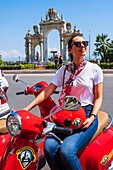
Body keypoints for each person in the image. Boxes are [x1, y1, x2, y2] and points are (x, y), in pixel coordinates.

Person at [23, 32, 103, 170]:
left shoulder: (94, 69)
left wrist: (92, 117)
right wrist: (27, 109)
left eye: (85, 43)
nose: (82, 46)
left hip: (87, 114)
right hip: (66, 114)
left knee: (67, 150)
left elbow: (98, 97)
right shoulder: (63, 70)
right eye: (78, 44)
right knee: (49, 147)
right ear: (70, 50)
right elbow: (47, 91)